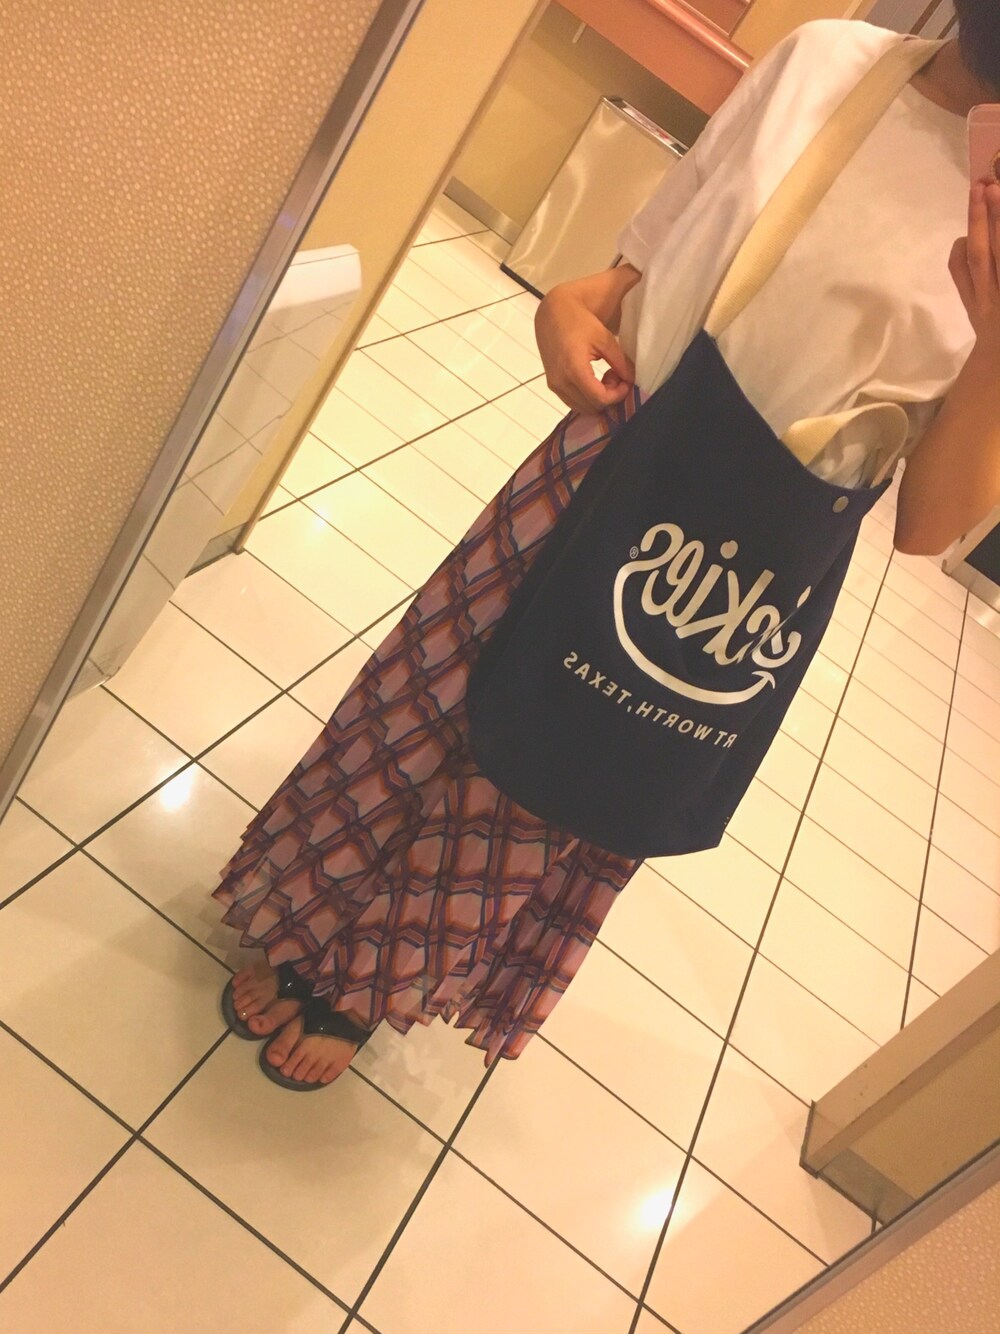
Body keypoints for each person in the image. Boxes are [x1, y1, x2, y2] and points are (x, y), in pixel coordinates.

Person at [215, 8, 1000, 1091]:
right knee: (433, 692)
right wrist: (576, 304)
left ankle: (369, 981)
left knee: (544, 780)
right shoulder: (828, 60)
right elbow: (650, 255)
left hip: (736, 569)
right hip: (611, 455)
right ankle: (306, 906)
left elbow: (928, 525)